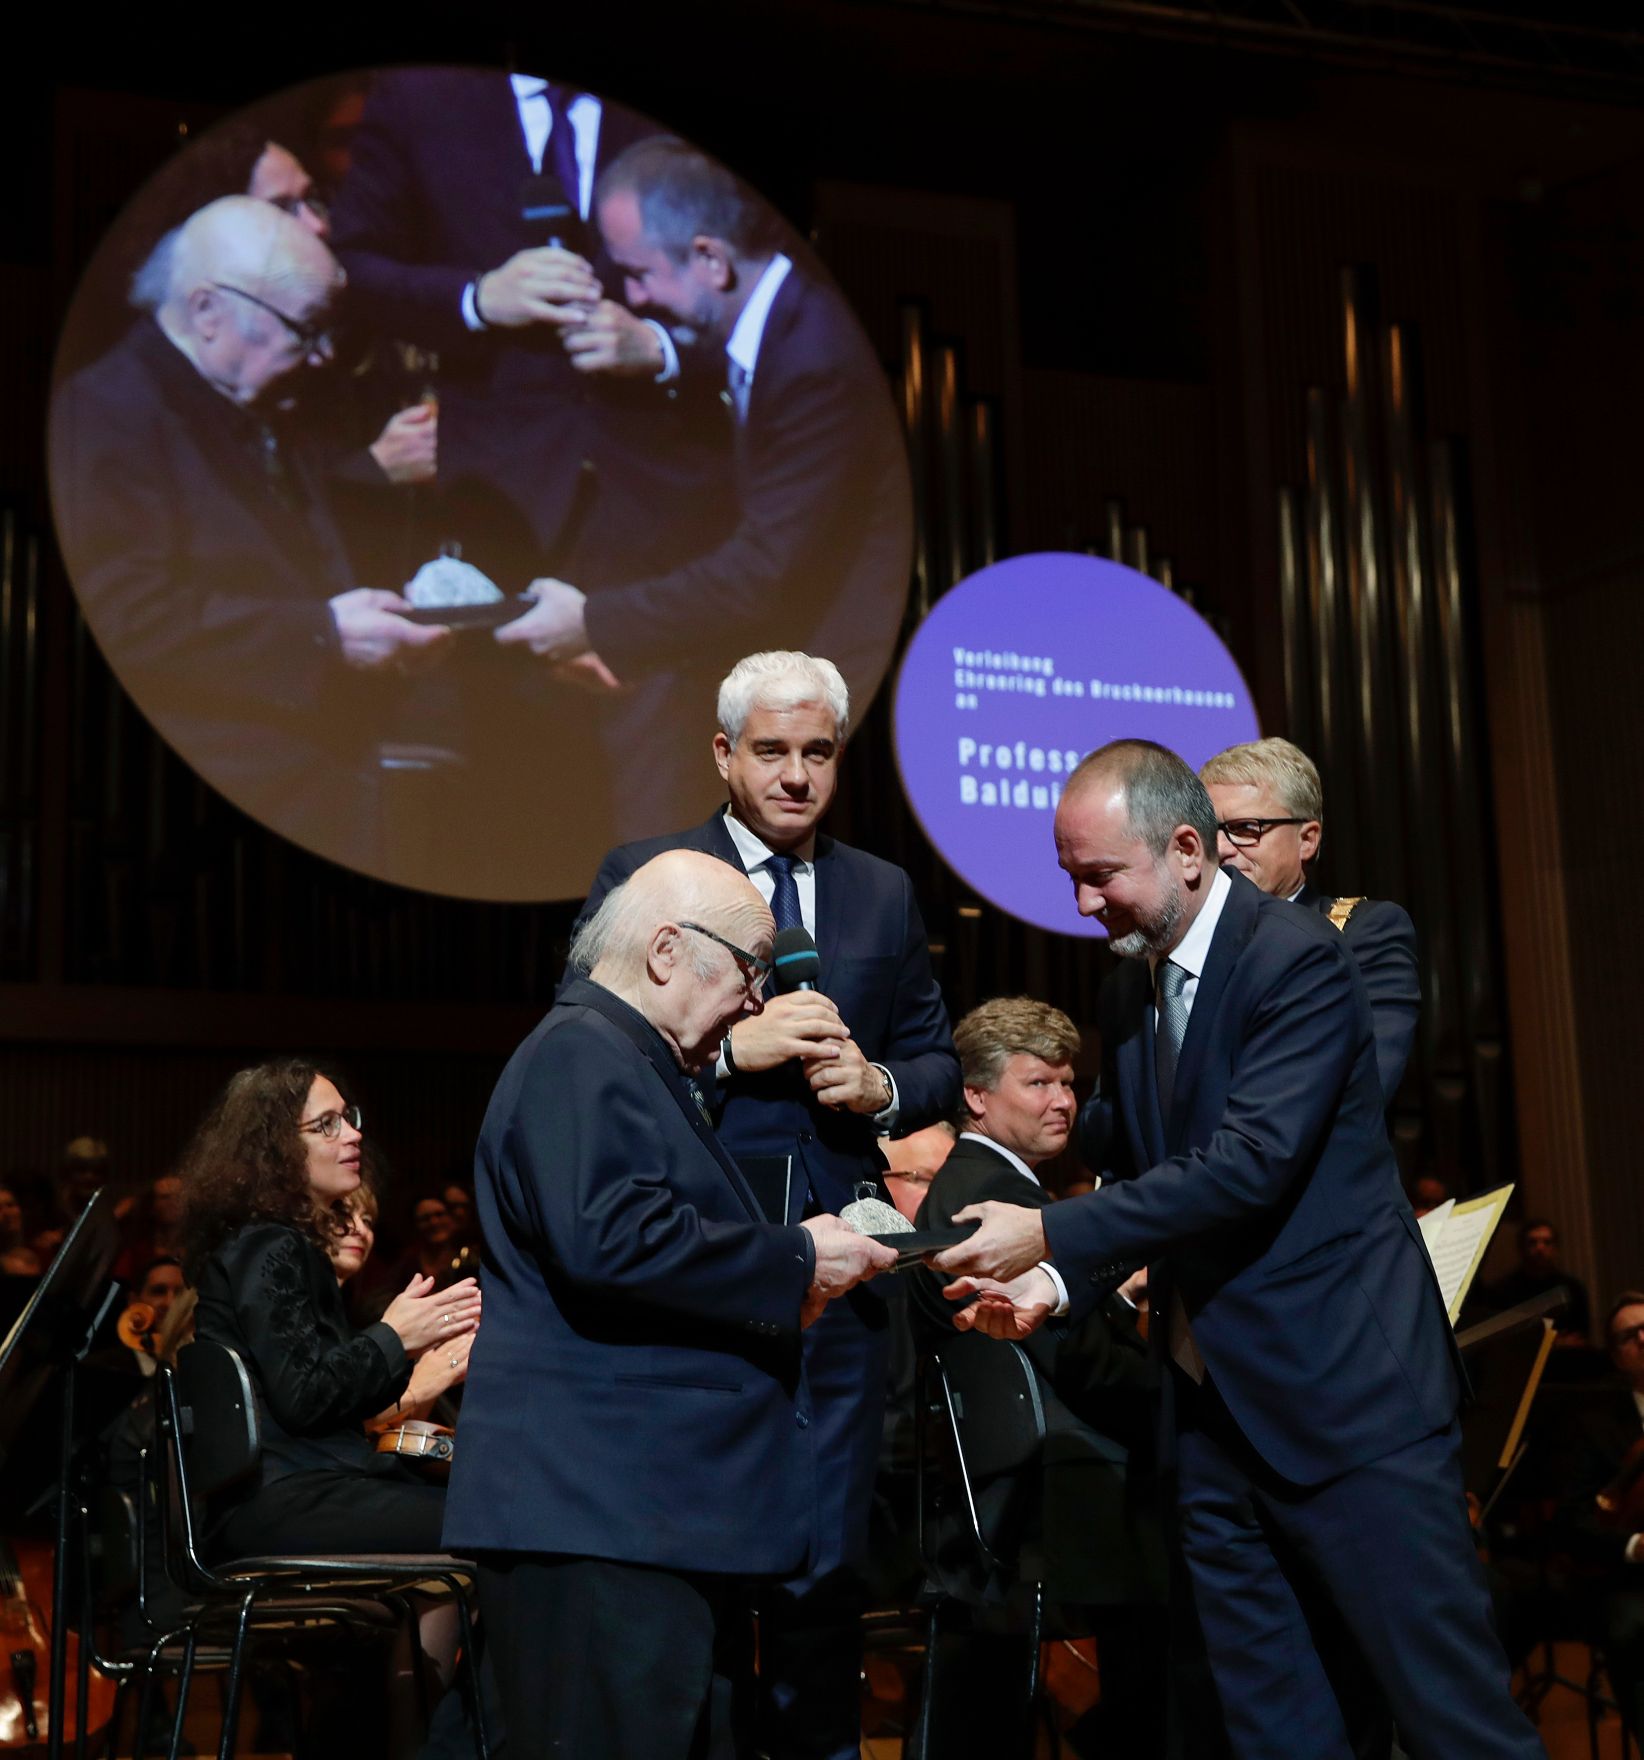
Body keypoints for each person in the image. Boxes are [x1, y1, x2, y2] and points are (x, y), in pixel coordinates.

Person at [932, 740, 1544, 1760]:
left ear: (1186, 849)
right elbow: (1142, 1166)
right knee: (1271, 1732)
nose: (1083, 904)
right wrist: (1053, 1275)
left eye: (1101, 875)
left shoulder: (1297, 958)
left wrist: (1045, 1230)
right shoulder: (1131, 988)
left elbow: (1248, 1165)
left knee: (1454, 1721)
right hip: (1209, 1421)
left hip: (1349, 1404)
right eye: (1070, 876)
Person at [569, 651, 960, 1760]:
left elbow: (937, 1056)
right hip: (696, 1255)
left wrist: (880, 1086)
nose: (796, 774)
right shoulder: (650, 874)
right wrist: (731, 1052)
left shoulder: (882, 889)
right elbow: (583, 1041)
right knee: (695, 1544)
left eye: (818, 751)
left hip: (844, 1267)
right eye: (773, 750)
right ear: (723, 754)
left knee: (826, 1558)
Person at [444, 849, 897, 1759]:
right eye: (749, 971)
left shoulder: (622, 1060)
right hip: (603, 1520)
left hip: (638, 1519)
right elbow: (614, 1241)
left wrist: (786, 1291)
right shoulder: (582, 1053)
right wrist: (800, 1257)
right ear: (665, 950)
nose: (755, 1004)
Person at [495, 138, 911, 839]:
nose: (632, 298)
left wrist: (593, 622)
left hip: (834, 700)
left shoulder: (815, 360)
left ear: (711, 260)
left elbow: (763, 573)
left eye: (638, 273)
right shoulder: (778, 331)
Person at [49, 197, 451, 874]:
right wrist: (326, 636)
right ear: (207, 310)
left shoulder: (258, 398)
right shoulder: (106, 413)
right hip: (198, 819)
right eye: (305, 328)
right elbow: (125, 621)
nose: (323, 355)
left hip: (315, 777)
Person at [908, 996, 1167, 1758]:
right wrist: (1186, 1400)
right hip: (1055, 1502)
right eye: (1039, 1083)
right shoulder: (996, 1202)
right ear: (976, 1096)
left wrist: (1116, 1296)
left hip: (1021, 1496)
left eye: (1069, 1083)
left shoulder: (980, 1184)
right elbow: (1082, 1365)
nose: (1063, 1102)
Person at [179, 1059, 481, 1560]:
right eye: (326, 1124)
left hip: (294, 1491)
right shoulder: (270, 1245)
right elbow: (304, 1397)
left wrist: (407, 1347)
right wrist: (394, 1336)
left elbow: (325, 1399)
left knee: (482, 1509)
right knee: (494, 1522)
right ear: (277, 1147)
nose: (354, 1134)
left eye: (348, 1117)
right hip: (284, 1498)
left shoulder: (276, 1245)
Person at [1200, 736, 1419, 1101]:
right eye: (1209, 832)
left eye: (1246, 828)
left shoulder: (1363, 932)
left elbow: (1367, 1086)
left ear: (1307, 840)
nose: (1221, 848)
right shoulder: (1186, 947)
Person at [1552, 1291, 1644, 1742]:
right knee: (1631, 1628)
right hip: (1631, 1579)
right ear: (1615, 1356)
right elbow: (1571, 1521)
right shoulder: (1594, 1425)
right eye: (1630, 1335)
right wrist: (1635, 1546)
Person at [1487, 1218, 1593, 1346]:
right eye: (1532, 1242)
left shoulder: (1573, 1289)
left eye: (1547, 1242)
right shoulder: (1502, 1291)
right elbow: (1502, 1339)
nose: (1540, 1248)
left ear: (1555, 1249)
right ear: (1521, 1248)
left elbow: (1580, 1337)